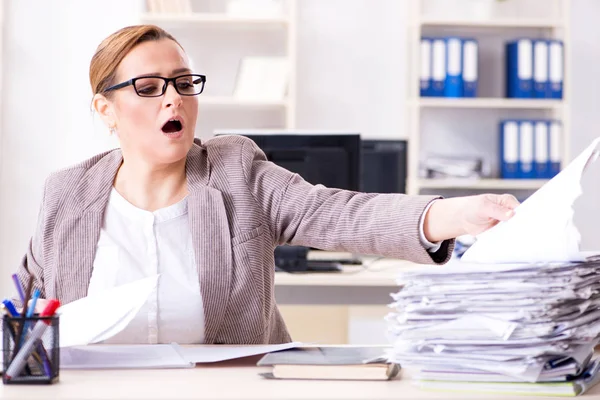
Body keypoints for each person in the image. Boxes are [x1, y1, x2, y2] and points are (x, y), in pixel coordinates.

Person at [14, 25, 519, 345]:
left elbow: (337, 213)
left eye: (184, 83)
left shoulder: (235, 171)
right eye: (148, 88)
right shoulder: (67, 194)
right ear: (106, 109)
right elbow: (23, 312)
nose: (174, 100)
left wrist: (453, 214)